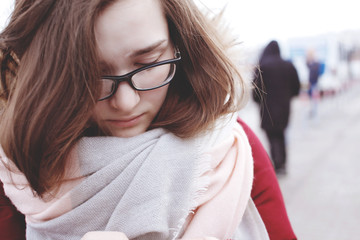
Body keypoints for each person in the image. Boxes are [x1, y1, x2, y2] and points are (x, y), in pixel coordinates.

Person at [0, 1, 296, 239]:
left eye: (149, 63)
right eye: (91, 76)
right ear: (46, 76)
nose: (126, 103)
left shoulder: (230, 150)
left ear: (179, 44)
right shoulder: (16, 172)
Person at [253, 40, 300, 174]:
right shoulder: (288, 65)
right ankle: (282, 163)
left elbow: (255, 91)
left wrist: (259, 101)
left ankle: (277, 163)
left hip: (267, 109)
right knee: (281, 134)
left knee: (272, 136)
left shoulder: (262, 66)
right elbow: (296, 88)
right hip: (284, 108)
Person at [306, 49, 321, 117]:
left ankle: (315, 112)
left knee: (314, 99)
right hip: (313, 83)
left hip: (314, 83)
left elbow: (313, 74)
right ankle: (313, 111)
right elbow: (307, 65)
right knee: (312, 99)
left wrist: (310, 82)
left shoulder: (315, 64)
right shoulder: (312, 63)